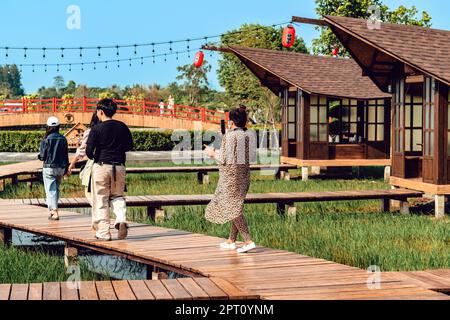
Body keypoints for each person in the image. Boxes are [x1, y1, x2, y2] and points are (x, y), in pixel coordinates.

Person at [204, 105, 256, 253]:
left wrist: (212, 153)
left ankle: (248, 240)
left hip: (230, 179)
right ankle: (231, 240)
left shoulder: (230, 136)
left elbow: (224, 159)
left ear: (231, 122)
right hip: (244, 177)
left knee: (232, 208)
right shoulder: (248, 136)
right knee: (235, 206)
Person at [86, 99, 134, 241]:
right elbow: (129, 146)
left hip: (101, 165)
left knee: (101, 199)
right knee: (117, 196)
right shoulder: (122, 127)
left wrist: (97, 156)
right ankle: (121, 219)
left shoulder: (96, 129)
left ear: (100, 112)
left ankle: (104, 232)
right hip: (119, 165)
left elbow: (89, 151)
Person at [38, 116, 69, 221]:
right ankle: (53, 209)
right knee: (56, 189)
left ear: (48, 127)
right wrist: (67, 168)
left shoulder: (46, 139)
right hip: (61, 168)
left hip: (49, 168)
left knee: (51, 190)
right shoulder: (63, 139)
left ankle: (54, 212)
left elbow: (42, 156)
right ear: (58, 127)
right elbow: (66, 155)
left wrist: (39, 156)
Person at [67, 112, 100, 206]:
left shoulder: (90, 132)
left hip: (94, 163)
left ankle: (98, 212)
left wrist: (72, 163)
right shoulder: (111, 130)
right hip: (114, 163)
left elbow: (82, 151)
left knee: (88, 192)